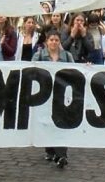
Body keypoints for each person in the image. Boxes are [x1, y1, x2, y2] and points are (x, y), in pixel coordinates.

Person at [32, 30, 74, 168]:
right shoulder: (38, 56)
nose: (54, 42)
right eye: (51, 40)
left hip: (62, 95)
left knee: (61, 123)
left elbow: (75, 71)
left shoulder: (67, 56)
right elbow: (30, 72)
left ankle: (62, 154)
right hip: (45, 94)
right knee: (47, 122)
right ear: (46, 42)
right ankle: (50, 150)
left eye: (56, 40)